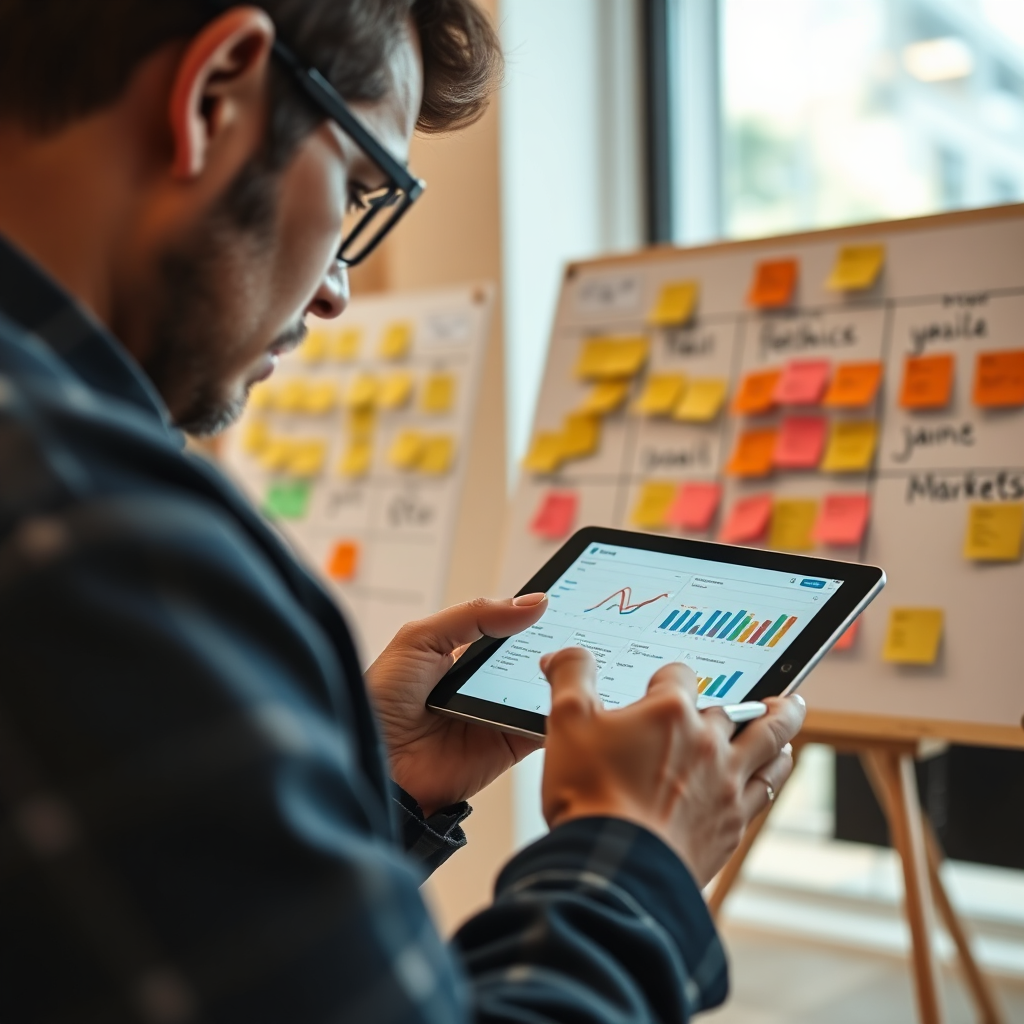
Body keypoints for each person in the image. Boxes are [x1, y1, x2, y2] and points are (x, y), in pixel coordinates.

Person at [0, 1, 805, 1021]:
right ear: (216, 94)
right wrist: (633, 851)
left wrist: (362, 791)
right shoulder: (97, 535)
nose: (337, 288)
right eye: (356, 189)